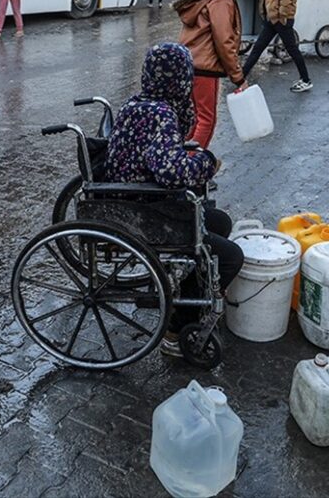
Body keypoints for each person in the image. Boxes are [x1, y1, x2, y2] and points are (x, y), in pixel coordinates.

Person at [104, 43, 244, 358]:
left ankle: (197, 283)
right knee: (232, 256)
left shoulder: (141, 103)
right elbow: (170, 171)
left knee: (220, 221)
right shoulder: (159, 114)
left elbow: (161, 158)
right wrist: (207, 163)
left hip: (136, 196)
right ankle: (177, 329)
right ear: (180, 79)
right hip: (145, 208)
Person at [173, 0, 246, 149]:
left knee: (195, 119)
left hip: (188, 64)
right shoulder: (221, 0)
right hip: (205, 68)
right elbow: (224, 41)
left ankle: (181, 160)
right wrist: (238, 77)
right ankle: (190, 168)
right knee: (206, 120)